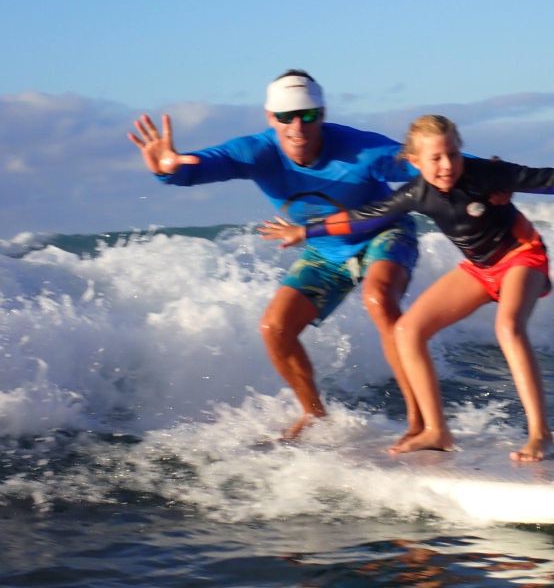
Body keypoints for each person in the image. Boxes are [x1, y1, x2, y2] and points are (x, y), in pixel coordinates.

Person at [259, 115, 554, 461]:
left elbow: (543, 179)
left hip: (522, 257)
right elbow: (364, 218)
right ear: (414, 161)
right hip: (480, 267)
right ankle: (436, 431)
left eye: (453, 155)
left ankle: (542, 436)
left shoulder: (484, 174)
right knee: (409, 330)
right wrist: (305, 231)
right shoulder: (415, 193)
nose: (447, 166)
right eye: (436, 159)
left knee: (508, 328)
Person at [127, 70, 424, 440]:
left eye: (308, 115)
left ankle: (420, 421)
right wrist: (169, 170)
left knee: (379, 299)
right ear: (271, 118)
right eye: (286, 116)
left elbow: (433, 160)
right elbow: (201, 165)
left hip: (386, 232)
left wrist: (495, 178)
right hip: (326, 248)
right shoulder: (257, 151)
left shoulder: (360, 149)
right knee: (275, 328)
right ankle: (315, 416)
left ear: (322, 113)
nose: (297, 126)